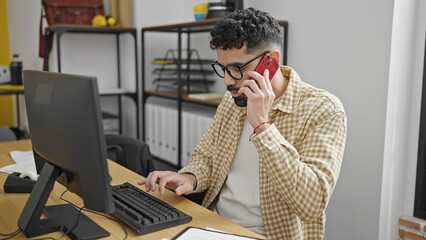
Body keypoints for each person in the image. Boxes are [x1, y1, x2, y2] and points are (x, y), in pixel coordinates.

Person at [139, 7, 347, 240]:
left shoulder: (324, 110)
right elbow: (206, 157)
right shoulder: (233, 100)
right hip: (211, 224)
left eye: (238, 68)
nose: (228, 81)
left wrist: (262, 126)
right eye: (223, 69)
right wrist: (190, 178)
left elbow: (311, 204)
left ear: (272, 61)